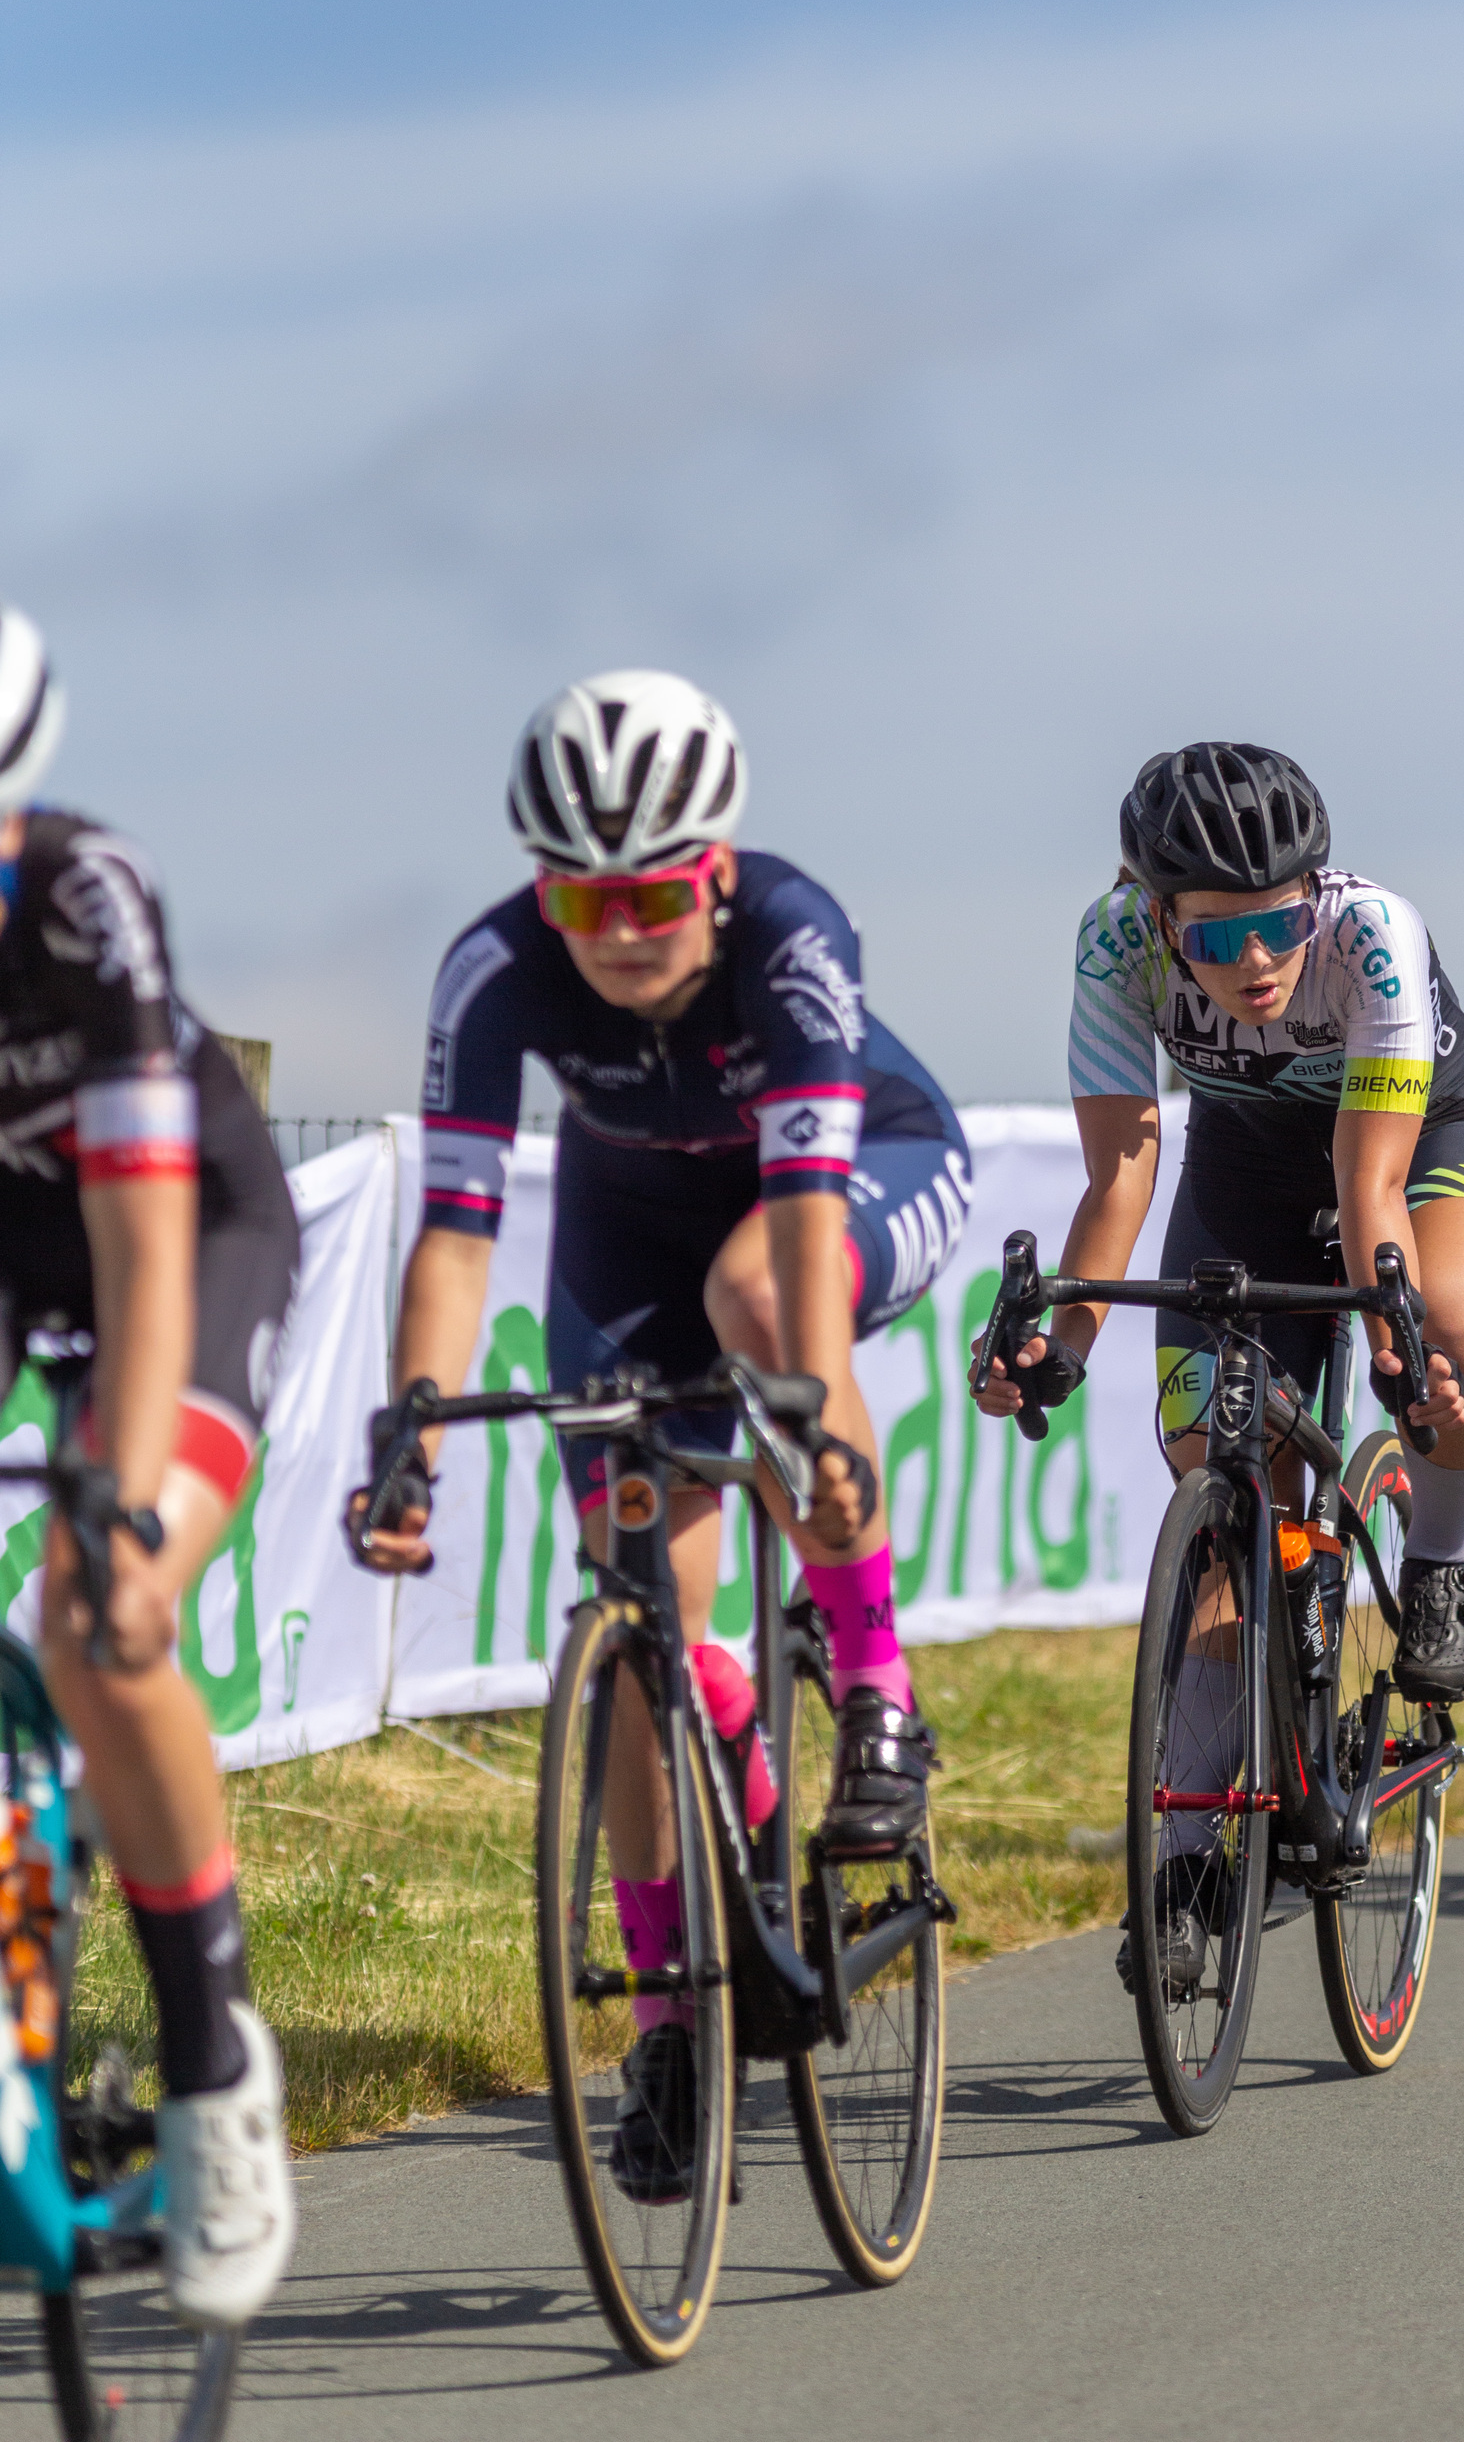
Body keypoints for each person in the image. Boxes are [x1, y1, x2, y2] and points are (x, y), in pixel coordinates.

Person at [350, 668, 970, 2196]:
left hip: (845, 1182)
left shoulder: (793, 931)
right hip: (626, 1238)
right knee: (639, 1626)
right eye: (584, 904)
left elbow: (807, 1225)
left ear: (716, 872)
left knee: (759, 1295)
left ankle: (877, 1683)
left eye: (656, 896)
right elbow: (451, 1236)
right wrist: (410, 1436)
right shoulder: (491, 971)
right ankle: (668, 2014)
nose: (622, 933)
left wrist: (813, 1428)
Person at [973, 742, 1464, 1971]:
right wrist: (1058, 1345)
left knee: (1449, 1326)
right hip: (1249, 1160)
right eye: (1217, 941)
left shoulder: (1373, 934)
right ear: (1159, 920)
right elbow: (1121, 1175)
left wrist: (1396, 1350)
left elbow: (1368, 1187)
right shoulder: (1111, 945)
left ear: (1313, 892)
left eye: (1277, 925)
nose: (1258, 962)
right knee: (1216, 1467)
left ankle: (1438, 1559)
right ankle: (1182, 1866)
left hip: (1420, 1133)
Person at [0, 604, 299, 2325]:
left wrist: (114, 1483)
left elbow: (139, 1233)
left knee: (103, 1610)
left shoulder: (82, 894)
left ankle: (213, 2067)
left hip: (174, 1229)